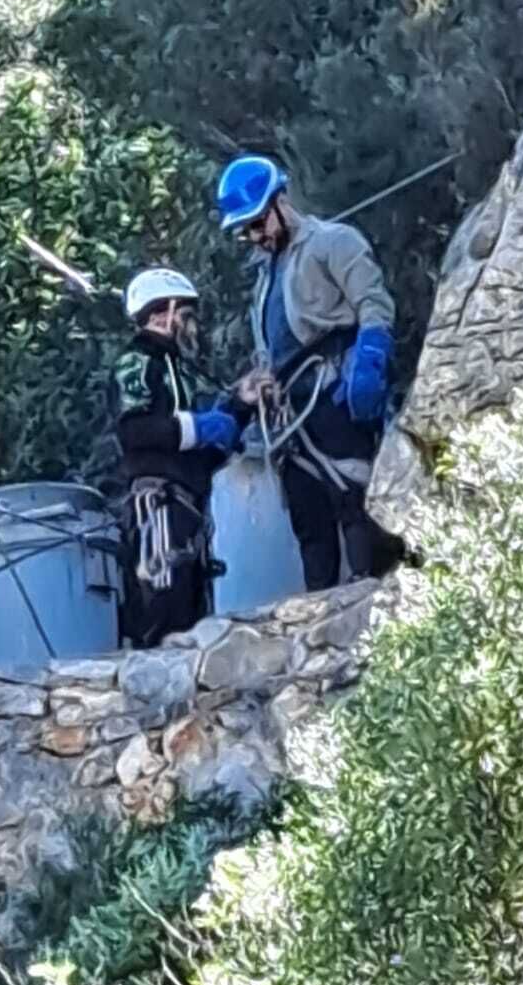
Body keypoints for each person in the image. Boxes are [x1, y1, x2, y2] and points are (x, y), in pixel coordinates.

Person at [217, 155, 401, 593]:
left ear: (280, 202)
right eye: (246, 230)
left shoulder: (334, 243)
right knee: (309, 520)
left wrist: (371, 360)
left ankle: (373, 599)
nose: (254, 236)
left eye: (258, 223)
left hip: (334, 393)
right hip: (291, 414)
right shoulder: (265, 280)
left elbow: (374, 304)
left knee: (355, 499)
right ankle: (321, 613)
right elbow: (273, 346)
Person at [112, 266, 245, 648]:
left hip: (188, 507)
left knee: (192, 618)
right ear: (163, 313)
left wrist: (239, 407)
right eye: (187, 317)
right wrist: (198, 428)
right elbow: (134, 431)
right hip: (157, 508)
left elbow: (200, 445)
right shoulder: (136, 362)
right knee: (162, 615)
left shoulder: (181, 370)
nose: (194, 328)